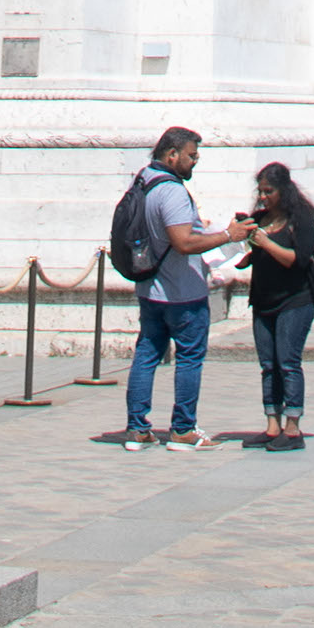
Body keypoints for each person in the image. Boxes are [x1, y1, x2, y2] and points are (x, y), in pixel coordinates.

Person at [120, 126, 250, 450]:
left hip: (150, 289)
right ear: (172, 154)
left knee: (147, 354)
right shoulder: (172, 191)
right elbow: (183, 242)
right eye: (192, 156)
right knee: (189, 358)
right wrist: (228, 235)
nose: (195, 161)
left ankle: (137, 429)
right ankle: (183, 430)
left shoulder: (144, 179)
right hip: (182, 294)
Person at [244, 160, 314, 444]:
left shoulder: (301, 219)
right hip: (263, 299)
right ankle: (272, 425)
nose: (264, 197)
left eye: (269, 191)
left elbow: (298, 261)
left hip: (296, 299)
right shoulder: (258, 218)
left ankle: (293, 428)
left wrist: (266, 242)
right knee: (268, 364)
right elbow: (254, 256)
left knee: (288, 362)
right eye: (261, 192)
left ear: (283, 190)